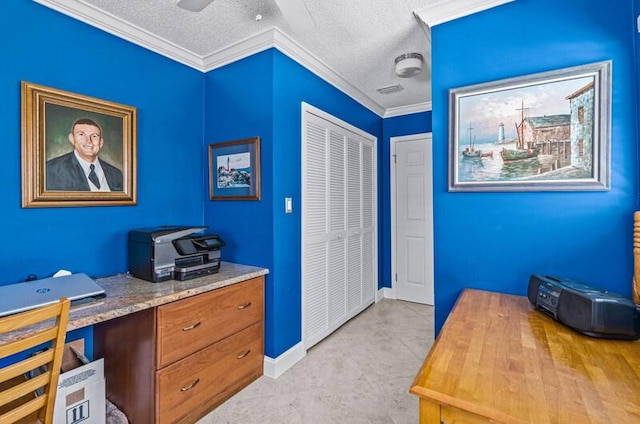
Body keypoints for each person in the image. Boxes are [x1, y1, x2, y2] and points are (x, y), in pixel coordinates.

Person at [46, 118, 123, 191]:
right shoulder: (51, 170)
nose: (89, 141)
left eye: (94, 136)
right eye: (81, 134)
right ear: (72, 139)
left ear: (101, 142)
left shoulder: (116, 174)